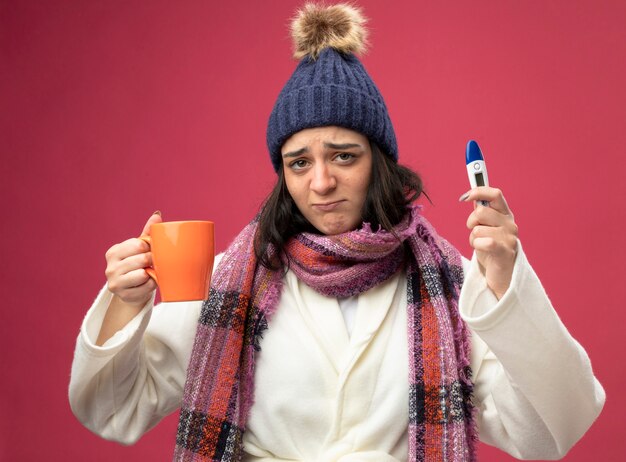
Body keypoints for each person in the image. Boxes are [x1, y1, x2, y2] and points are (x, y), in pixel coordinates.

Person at [69, 3, 605, 461]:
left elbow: (554, 428)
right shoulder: (226, 286)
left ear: (379, 163)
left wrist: (506, 286)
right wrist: (125, 302)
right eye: (299, 163)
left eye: (343, 156)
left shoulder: (452, 285)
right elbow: (111, 409)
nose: (321, 182)